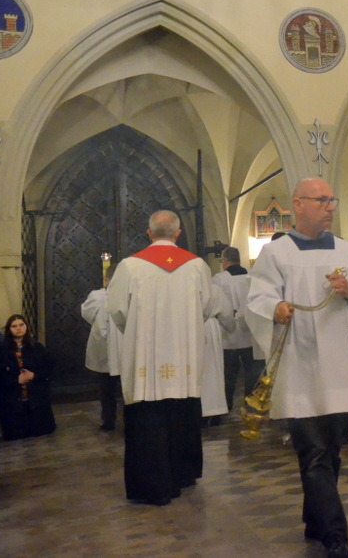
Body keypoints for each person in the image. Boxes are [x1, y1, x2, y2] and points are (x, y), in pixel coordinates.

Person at [246, 178, 348, 558]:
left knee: (333, 449)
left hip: (339, 364)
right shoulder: (276, 253)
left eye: (331, 200)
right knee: (314, 451)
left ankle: (314, 519)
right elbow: (256, 297)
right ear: (298, 205)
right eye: (321, 200)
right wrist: (274, 307)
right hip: (299, 364)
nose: (330, 207)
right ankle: (336, 536)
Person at [107, 210, 216, 506]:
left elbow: (117, 310)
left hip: (146, 361)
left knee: (148, 418)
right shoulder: (197, 266)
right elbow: (207, 306)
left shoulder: (130, 267)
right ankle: (182, 474)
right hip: (184, 358)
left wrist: (136, 331)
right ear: (178, 234)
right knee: (182, 414)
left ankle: (153, 486)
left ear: (149, 233)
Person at [214, 247, 265, 411]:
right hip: (251, 332)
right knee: (252, 372)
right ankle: (251, 405)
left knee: (229, 375)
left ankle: (226, 406)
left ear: (224, 262)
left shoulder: (219, 279)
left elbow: (218, 305)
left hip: (229, 335)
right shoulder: (252, 275)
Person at [0, 314, 56, 440]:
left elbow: (48, 369)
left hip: (36, 399)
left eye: (21, 325)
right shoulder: (1, 351)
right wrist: (16, 380)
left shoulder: (37, 348)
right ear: (9, 329)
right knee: (16, 434)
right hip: (14, 400)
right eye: (14, 326)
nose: (18, 328)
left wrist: (34, 375)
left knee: (40, 430)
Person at [81, 263, 121, 431]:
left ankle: (112, 420)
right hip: (106, 349)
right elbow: (87, 313)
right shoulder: (97, 296)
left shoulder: (128, 294)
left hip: (118, 348)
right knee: (108, 387)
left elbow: (87, 313)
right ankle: (109, 419)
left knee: (112, 388)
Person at [199, 277, 234, 427]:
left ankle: (198, 410)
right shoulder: (214, 289)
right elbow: (227, 314)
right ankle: (213, 410)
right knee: (213, 372)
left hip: (189, 328)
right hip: (210, 328)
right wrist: (231, 328)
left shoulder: (182, 287)